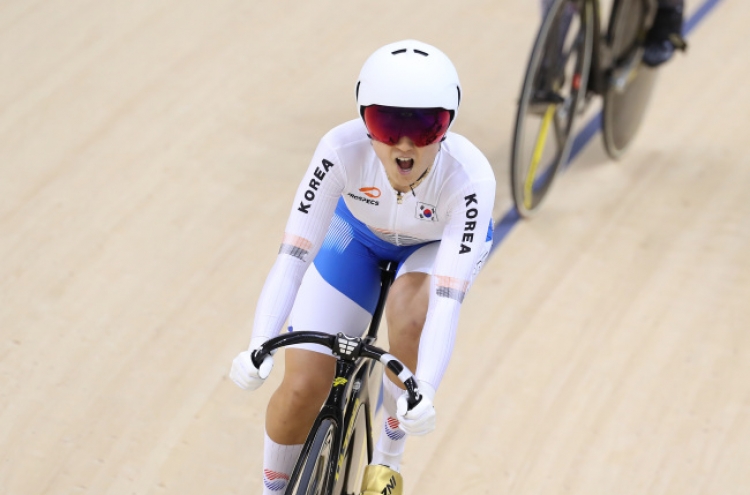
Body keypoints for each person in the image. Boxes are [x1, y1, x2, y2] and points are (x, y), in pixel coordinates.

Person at [229, 39, 496, 495]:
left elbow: (445, 303)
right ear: (363, 120)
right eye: (387, 124)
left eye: (428, 126)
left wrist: (425, 389)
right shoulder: (339, 148)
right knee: (299, 389)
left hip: (433, 248)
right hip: (355, 237)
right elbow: (293, 258)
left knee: (411, 309)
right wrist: (260, 342)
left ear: (448, 125)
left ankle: (386, 463)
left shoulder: (470, 178)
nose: (406, 145)